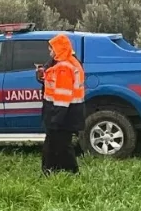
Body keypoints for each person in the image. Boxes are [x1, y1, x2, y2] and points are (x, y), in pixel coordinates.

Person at [41, 33, 85, 175]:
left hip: (62, 112)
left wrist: (55, 119)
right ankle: (58, 170)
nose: (50, 52)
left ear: (58, 49)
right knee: (59, 143)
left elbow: (62, 96)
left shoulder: (63, 67)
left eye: (51, 49)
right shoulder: (70, 61)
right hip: (68, 112)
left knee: (58, 144)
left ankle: (66, 171)